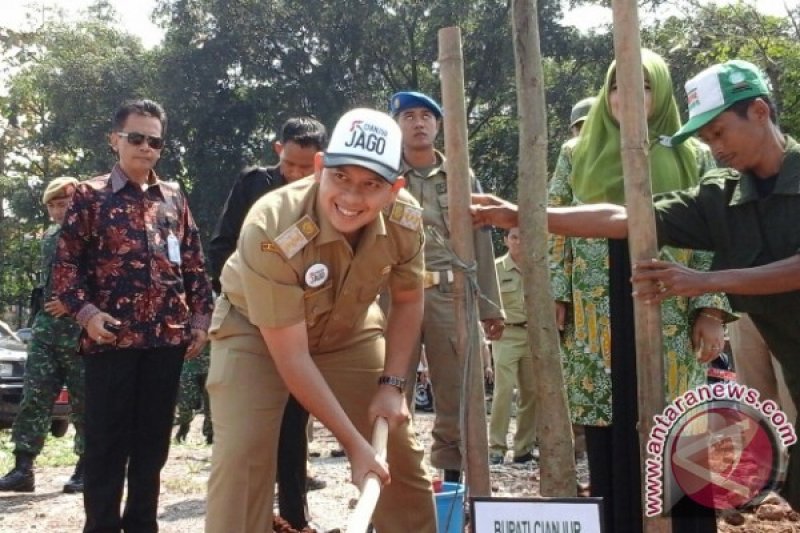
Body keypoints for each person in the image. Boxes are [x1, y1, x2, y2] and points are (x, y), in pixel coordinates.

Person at [472, 58, 800, 513]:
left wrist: (704, 286)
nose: (714, 146)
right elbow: (627, 216)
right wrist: (524, 213)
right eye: (705, 138)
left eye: (720, 132)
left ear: (760, 112)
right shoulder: (722, 193)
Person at [205, 107, 437, 533]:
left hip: (349, 329)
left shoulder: (405, 219)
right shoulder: (271, 224)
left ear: (395, 188)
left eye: (371, 185)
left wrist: (392, 386)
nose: (352, 198)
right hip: (256, 332)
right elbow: (292, 355)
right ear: (318, 168)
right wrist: (353, 446)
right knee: (242, 457)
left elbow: (407, 299)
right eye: (341, 178)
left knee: (398, 453)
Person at [52, 99, 213, 533]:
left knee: (152, 446)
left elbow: (194, 265)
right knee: (105, 444)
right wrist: (86, 314)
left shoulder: (174, 197)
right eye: (136, 138)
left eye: (154, 141)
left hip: (165, 341)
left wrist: (200, 321)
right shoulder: (89, 196)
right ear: (115, 140)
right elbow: (65, 269)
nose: (146, 147)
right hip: (111, 342)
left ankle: (142, 524)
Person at [208, 116, 328, 529]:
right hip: (251, 317)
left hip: (301, 321)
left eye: (305, 166)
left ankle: (295, 517)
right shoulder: (252, 184)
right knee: (250, 433)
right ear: (278, 151)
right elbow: (223, 246)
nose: (295, 174)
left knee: (294, 423)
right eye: (290, 163)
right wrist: (248, 296)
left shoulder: (329, 195)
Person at [390, 90, 505, 481]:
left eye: (426, 115)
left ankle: (454, 487)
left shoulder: (461, 175)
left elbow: (481, 242)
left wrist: (492, 308)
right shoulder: (384, 174)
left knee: (456, 393)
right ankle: (394, 481)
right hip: (394, 296)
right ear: (398, 125)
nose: (418, 122)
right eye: (408, 116)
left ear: (438, 125)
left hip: (448, 296)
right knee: (391, 386)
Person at [0, 177, 86, 494]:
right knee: (33, 396)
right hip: (47, 329)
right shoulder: (50, 236)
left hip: (80, 329)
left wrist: (74, 302)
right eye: (52, 205)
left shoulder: (95, 235)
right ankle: (23, 468)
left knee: (84, 401)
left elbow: (107, 279)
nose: (58, 211)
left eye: (63, 204)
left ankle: (86, 468)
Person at [488, 227, 537, 465]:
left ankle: (523, 449)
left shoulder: (538, 268)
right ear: (506, 240)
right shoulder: (496, 269)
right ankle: (496, 448)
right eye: (514, 237)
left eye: (523, 236)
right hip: (506, 334)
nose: (519, 241)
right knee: (504, 391)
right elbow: (486, 302)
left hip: (533, 336)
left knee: (531, 393)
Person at [174, 343, 213, 444]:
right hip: (189, 361)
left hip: (213, 360)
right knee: (185, 400)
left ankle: (210, 436)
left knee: (212, 402)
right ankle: (184, 426)